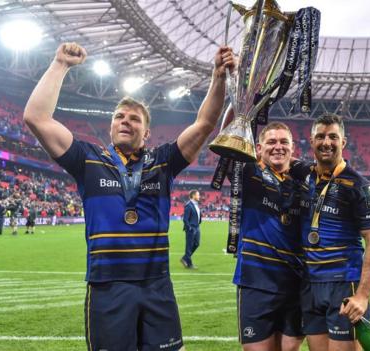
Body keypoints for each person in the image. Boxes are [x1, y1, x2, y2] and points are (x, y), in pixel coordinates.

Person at [23, 42, 234, 351]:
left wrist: (217, 76)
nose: (125, 121)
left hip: (156, 284)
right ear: (111, 126)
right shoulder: (88, 160)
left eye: (134, 119)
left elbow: (204, 124)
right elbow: (36, 118)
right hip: (108, 286)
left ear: (146, 133)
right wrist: (60, 65)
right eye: (119, 116)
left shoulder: (163, 161)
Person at [292, 114, 370, 351]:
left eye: (333, 136)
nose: (326, 142)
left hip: (344, 285)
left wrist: (362, 296)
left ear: (343, 142)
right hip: (310, 284)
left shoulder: (360, 187)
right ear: (311, 141)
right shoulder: (302, 174)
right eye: (320, 136)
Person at [231, 122, 304, 351]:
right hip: (255, 282)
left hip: (294, 283)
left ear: (293, 149)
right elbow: (228, 143)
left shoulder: (303, 183)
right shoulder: (249, 173)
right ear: (259, 148)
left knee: (290, 349)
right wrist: (239, 116)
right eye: (272, 142)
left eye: (284, 142)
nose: (278, 147)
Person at [181, 189, 202, 269]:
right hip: (191, 228)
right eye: (198, 195)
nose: (199, 196)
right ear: (193, 196)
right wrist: (189, 228)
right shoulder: (188, 205)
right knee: (189, 246)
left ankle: (185, 258)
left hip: (197, 227)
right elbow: (185, 219)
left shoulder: (196, 204)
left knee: (197, 244)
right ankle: (189, 264)